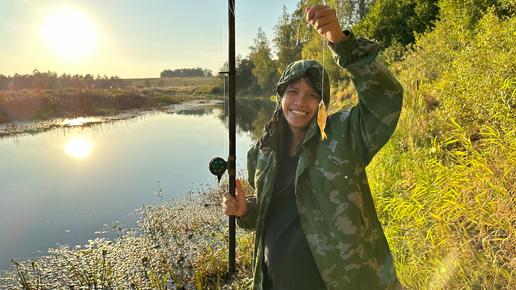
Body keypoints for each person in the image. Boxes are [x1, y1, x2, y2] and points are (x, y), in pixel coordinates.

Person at [223, 4, 403, 290]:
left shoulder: (346, 133)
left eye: (311, 95)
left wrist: (341, 42)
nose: (299, 102)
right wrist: (246, 210)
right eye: (292, 92)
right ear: (280, 97)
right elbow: (270, 210)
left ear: (323, 103)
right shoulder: (261, 152)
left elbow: (385, 99)